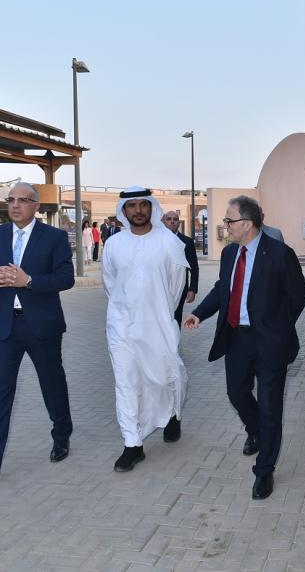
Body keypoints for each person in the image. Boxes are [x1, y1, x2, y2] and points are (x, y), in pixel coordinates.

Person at [183, 195, 305, 500]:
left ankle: (264, 471)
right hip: (237, 338)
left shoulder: (279, 254)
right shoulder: (229, 255)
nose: (225, 226)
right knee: (236, 393)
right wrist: (199, 312)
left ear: (247, 224)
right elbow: (222, 289)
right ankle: (255, 430)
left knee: (270, 406)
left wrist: (278, 328)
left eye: (229, 221)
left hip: (270, 343)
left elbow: (298, 295)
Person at [102, 186, 189, 472]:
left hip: (160, 323)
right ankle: (132, 443)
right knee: (126, 383)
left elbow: (177, 287)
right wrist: (124, 313)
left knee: (164, 378)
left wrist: (161, 313)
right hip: (122, 327)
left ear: (152, 208)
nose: (138, 210)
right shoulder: (114, 244)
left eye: (143, 205)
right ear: (123, 211)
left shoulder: (169, 242)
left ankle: (173, 413)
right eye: (132, 206)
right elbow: (110, 283)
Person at [0, 181, 74, 470]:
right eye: (11, 199)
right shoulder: (0, 234)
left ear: (36, 206)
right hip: (6, 328)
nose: (15, 205)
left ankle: (62, 435)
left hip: (41, 327)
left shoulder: (53, 237)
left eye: (23, 200)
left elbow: (65, 278)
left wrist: (28, 281)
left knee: (52, 385)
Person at [161, 211, 199, 325]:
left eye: (175, 219)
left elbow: (194, 267)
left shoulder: (187, 242)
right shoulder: (157, 241)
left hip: (180, 288)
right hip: (160, 286)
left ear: (178, 222)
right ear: (163, 222)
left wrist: (192, 289)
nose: (172, 221)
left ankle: (174, 342)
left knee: (175, 318)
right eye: (169, 219)